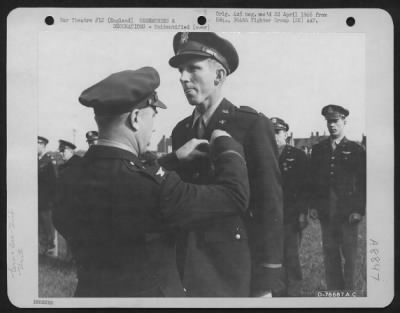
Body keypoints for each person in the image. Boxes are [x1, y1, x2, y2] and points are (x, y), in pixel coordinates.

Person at [53, 67, 250, 297]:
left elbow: (124, 177)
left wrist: (173, 159)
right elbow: (234, 196)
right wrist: (228, 147)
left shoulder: (70, 176)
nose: (154, 125)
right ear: (136, 119)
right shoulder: (158, 191)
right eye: (153, 114)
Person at [160, 32, 284, 297]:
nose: (183, 78)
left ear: (218, 76)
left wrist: (265, 280)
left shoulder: (249, 124)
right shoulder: (181, 130)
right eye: (181, 70)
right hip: (186, 261)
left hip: (234, 265)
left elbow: (269, 203)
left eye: (193, 69)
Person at [310, 104, 366, 291]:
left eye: (335, 121)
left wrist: (358, 210)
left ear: (344, 122)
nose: (332, 125)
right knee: (330, 254)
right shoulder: (318, 150)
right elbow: (314, 182)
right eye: (329, 122)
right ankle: (334, 294)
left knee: (350, 257)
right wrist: (313, 207)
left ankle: (349, 294)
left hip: (348, 213)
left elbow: (362, 183)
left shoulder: (356, 150)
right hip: (327, 212)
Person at [270, 117, 309, 296]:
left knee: (291, 257)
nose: (275, 135)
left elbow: (305, 188)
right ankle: (278, 293)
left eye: (278, 132)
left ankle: (293, 294)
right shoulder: (263, 155)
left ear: (286, 133)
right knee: (274, 256)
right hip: (271, 216)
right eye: (271, 132)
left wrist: (303, 213)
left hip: (291, 216)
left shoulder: (298, 155)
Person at [38, 136, 57, 254]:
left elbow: (53, 182)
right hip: (39, 200)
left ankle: (51, 250)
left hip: (47, 201)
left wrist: (52, 201)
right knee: (40, 227)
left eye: (37, 144)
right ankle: (43, 249)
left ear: (43, 145)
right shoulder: (36, 160)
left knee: (48, 227)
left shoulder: (49, 161)